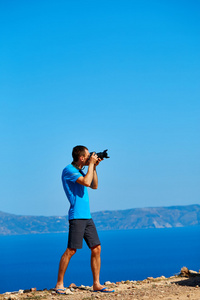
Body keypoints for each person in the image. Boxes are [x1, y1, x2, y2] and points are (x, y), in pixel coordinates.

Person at [55, 145, 114, 294]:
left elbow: (94, 185)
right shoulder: (69, 170)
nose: (89, 158)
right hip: (77, 216)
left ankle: (96, 284)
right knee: (71, 250)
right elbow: (87, 183)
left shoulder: (81, 171)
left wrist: (94, 167)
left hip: (87, 216)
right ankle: (59, 284)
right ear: (81, 158)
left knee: (97, 248)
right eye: (88, 156)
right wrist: (91, 164)